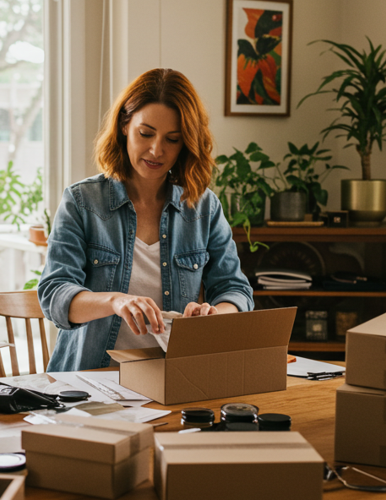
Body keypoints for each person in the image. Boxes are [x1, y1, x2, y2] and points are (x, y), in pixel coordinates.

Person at [38, 68, 255, 372]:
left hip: (175, 378)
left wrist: (215, 314)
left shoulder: (204, 207)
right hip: (91, 380)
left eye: (173, 139)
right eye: (146, 133)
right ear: (125, 125)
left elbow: (236, 290)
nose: (157, 150)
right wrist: (115, 301)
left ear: (186, 143)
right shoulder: (83, 202)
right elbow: (54, 293)